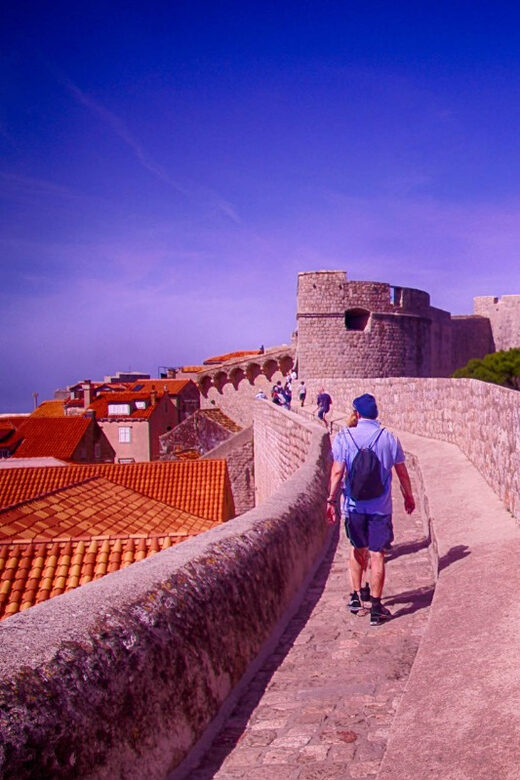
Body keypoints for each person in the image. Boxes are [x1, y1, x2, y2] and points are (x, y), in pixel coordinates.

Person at [326, 393, 415, 626]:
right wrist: (408, 496)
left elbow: (337, 472)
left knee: (357, 549)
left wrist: (331, 500)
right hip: (380, 509)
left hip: (353, 507)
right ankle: (376, 608)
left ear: (356, 414)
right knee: (377, 555)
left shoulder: (344, 437)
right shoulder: (389, 438)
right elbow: (402, 473)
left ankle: (356, 598)